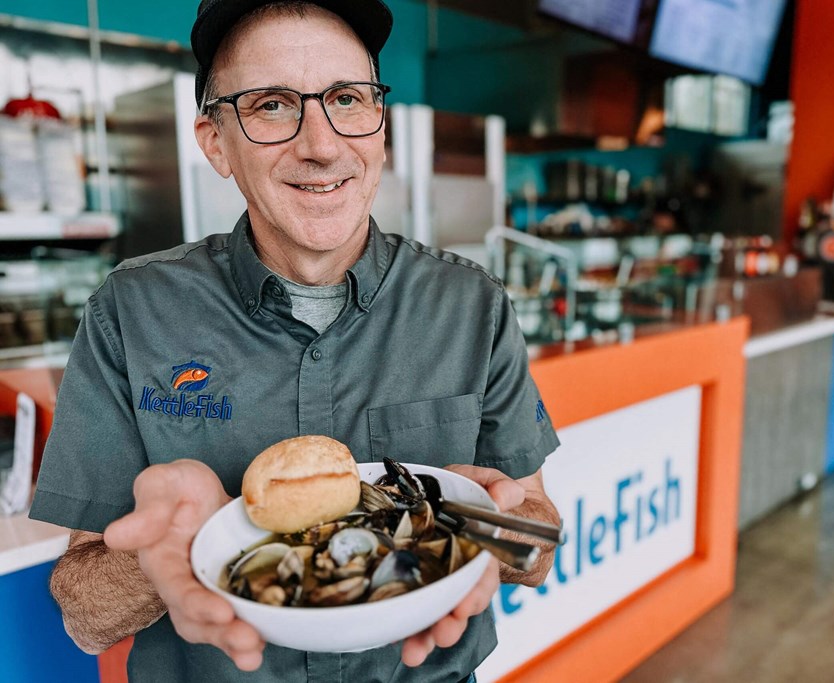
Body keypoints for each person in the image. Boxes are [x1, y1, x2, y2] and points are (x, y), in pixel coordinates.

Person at [28, 1, 561, 681]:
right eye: (273, 105)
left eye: (346, 98)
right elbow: (83, 612)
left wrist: (484, 523)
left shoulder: (472, 304)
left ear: (380, 125)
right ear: (215, 141)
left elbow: (540, 542)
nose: (323, 143)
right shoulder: (129, 313)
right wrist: (163, 555)